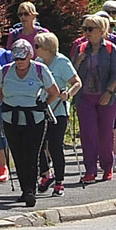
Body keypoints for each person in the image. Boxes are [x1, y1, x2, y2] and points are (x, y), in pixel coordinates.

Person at [0, 39, 58, 208]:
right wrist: (6, 102)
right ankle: (24, 189)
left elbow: (54, 92)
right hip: (11, 119)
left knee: (31, 154)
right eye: (17, 58)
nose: (20, 61)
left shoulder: (40, 70)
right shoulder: (6, 71)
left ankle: (30, 190)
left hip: (35, 119)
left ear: (30, 56)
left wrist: (43, 105)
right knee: (18, 155)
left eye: (23, 58)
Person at [73, 14, 116, 183]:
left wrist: (108, 92)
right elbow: (72, 75)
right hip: (85, 98)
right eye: (85, 29)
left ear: (101, 31)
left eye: (90, 29)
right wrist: (78, 63)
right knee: (88, 135)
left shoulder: (110, 48)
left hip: (106, 98)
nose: (87, 32)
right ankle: (90, 170)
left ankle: (107, 167)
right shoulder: (80, 49)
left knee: (105, 135)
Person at [34, 32, 76, 198]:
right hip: (41, 109)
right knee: (38, 144)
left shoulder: (62, 62)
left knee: (55, 146)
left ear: (48, 48)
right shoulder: (38, 63)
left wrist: (68, 93)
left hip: (58, 110)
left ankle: (59, 181)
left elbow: (77, 82)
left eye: (37, 46)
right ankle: (46, 173)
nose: (35, 49)